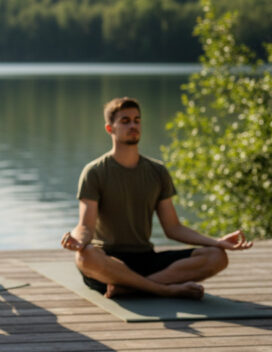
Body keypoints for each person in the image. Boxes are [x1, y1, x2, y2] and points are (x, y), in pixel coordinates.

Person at [60, 97, 253, 300]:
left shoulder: (157, 171)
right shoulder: (95, 172)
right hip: (109, 261)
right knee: (86, 256)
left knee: (217, 256)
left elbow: (173, 228)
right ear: (110, 128)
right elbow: (86, 226)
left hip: (146, 259)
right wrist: (77, 240)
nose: (133, 125)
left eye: (137, 120)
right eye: (125, 121)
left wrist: (217, 242)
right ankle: (164, 289)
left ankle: (132, 287)